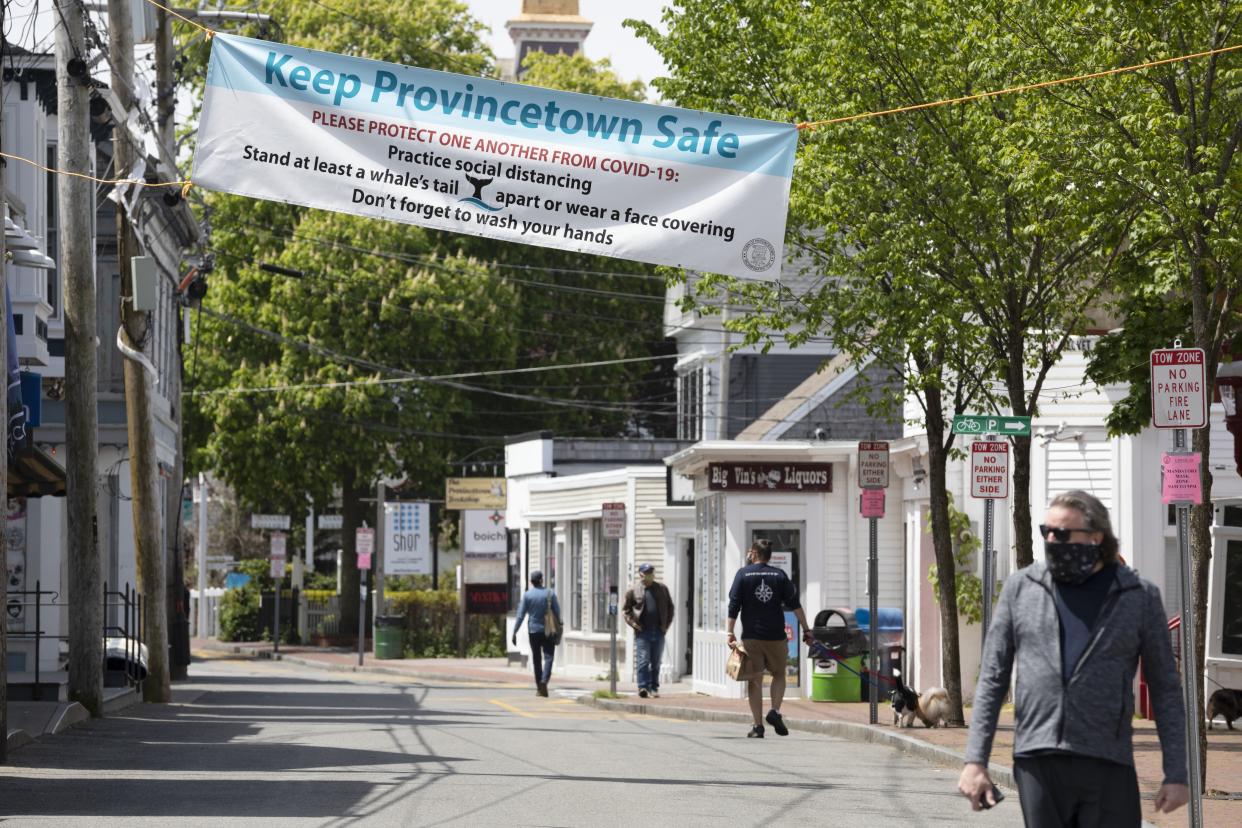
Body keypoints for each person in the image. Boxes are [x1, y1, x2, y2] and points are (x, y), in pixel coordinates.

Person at [958, 490, 1189, 825]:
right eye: (1047, 532)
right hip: (1038, 757)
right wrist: (975, 761)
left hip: (1107, 760)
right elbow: (993, 679)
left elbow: (1166, 688)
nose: (1053, 540)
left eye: (1063, 533)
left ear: (1096, 537)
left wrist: (1176, 773)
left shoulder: (1139, 596)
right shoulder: (1021, 589)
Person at [727, 539, 813, 738]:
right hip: (776, 636)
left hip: (751, 637)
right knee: (779, 674)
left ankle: (758, 726)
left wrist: (729, 632)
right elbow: (795, 605)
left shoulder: (743, 574)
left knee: (754, 680)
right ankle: (774, 710)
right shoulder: (779, 575)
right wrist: (807, 630)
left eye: (751, 551)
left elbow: (734, 606)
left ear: (755, 553)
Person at [623, 562, 675, 698]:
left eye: (651, 573)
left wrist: (666, 626)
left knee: (656, 662)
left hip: (658, 631)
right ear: (641, 574)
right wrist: (635, 625)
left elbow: (670, 608)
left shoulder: (662, 589)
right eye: (646, 573)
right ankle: (643, 687)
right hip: (643, 632)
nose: (649, 575)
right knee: (643, 661)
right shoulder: (633, 590)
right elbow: (626, 611)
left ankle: (654, 687)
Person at [512, 570, 562, 697]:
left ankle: (539, 687)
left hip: (533, 630)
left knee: (536, 659)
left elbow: (520, 615)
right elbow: (557, 612)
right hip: (549, 630)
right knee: (549, 657)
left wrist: (515, 631)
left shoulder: (527, 595)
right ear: (542, 580)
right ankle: (544, 680)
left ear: (531, 582)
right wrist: (559, 626)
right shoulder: (550, 594)